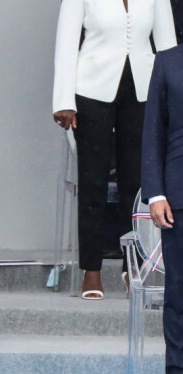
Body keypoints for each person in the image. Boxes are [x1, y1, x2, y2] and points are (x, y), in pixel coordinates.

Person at [53, 0, 177, 299]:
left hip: (143, 90)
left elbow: (169, 46)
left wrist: (175, 101)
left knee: (136, 182)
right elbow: (66, 43)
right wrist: (63, 100)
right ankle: (91, 270)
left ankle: (133, 265)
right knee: (91, 182)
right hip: (91, 91)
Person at [142, 44, 183, 373]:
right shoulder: (168, 61)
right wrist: (155, 193)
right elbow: (153, 130)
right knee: (179, 295)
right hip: (177, 198)